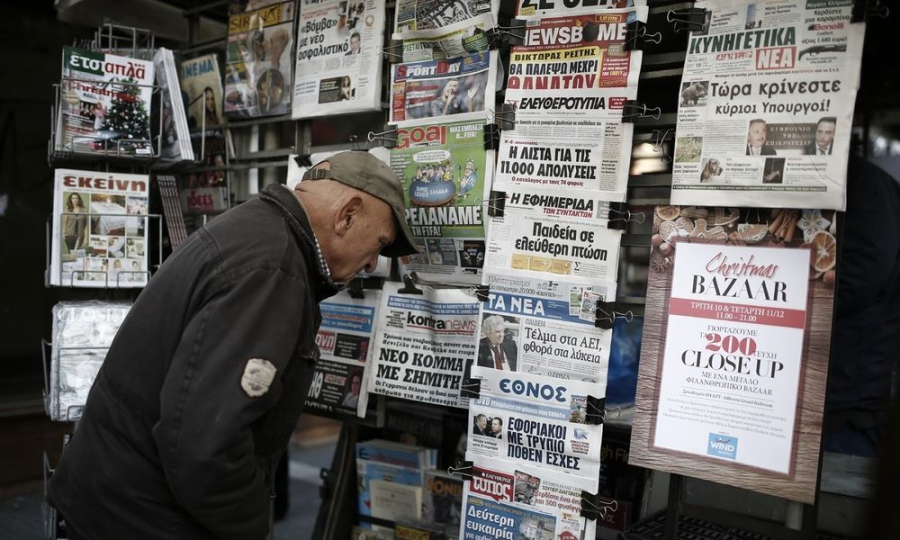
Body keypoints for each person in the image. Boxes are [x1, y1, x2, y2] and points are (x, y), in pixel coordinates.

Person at [47, 152, 419, 540]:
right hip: (146, 517)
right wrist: (251, 528)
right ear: (347, 214)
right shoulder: (272, 270)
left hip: (115, 499)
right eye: (379, 244)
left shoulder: (254, 229)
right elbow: (206, 445)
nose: (373, 264)